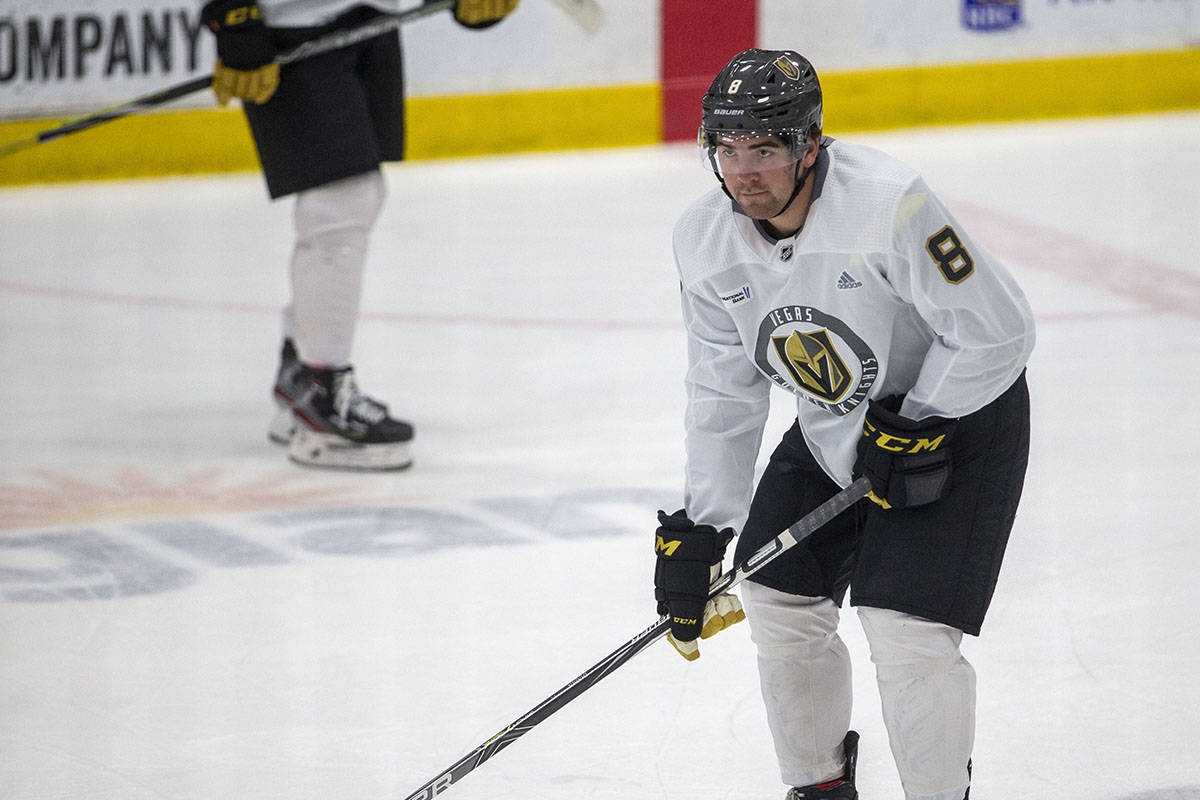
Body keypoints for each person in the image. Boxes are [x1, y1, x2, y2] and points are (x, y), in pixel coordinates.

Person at [651, 49, 1034, 800]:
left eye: (763, 149)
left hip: (960, 421)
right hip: (839, 426)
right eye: (725, 150)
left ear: (810, 146)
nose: (743, 171)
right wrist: (703, 525)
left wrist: (921, 418)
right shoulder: (703, 239)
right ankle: (819, 789)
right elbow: (722, 390)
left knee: (905, 629)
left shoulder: (888, 204)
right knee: (776, 594)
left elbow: (998, 331)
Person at [199, 0, 519, 470]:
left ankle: (302, 371)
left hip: (373, 18)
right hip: (292, 22)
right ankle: (320, 387)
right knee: (342, 197)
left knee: (358, 196)